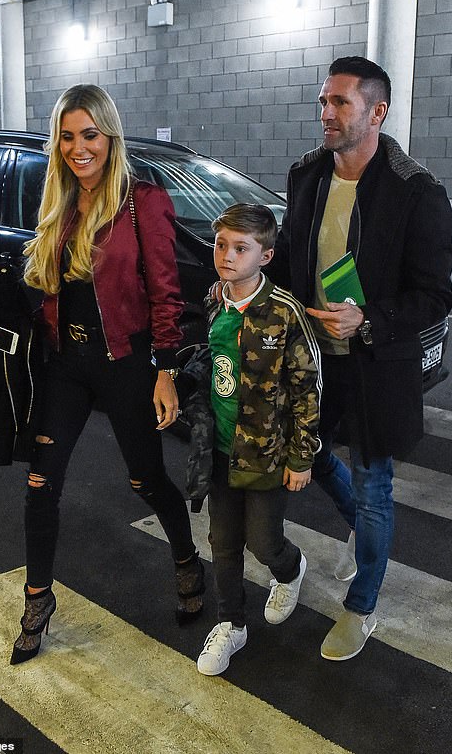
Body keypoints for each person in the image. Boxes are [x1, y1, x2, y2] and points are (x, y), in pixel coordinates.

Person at [267, 56, 452, 661]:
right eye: (323, 100)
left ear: (377, 112)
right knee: (312, 454)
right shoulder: (307, 176)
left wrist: (369, 317)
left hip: (376, 360)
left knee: (376, 486)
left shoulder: (414, 191)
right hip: (315, 358)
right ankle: (359, 529)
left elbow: (435, 295)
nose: (326, 112)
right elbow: (293, 256)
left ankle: (363, 602)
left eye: (340, 102)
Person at [9, 84, 204, 665]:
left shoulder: (142, 201)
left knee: (146, 479)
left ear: (109, 136)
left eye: (88, 135)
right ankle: (37, 599)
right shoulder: (57, 200)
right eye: (67, 137)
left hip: (126, 363)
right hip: (66, 367)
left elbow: (166, 293)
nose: (77, 148)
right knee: (40, 484)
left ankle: (186, 557)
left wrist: (165, 371)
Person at [193, 204, 321, 676]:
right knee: (222, 541)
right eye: (220, 245)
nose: (226, 256)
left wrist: (302, 457)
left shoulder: (284, 314)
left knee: (263, 542)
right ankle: (231, 624)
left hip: (267, 454)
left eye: (240, 248)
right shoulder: (214, 299)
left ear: (265, 256)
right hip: (221, 450)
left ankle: (289, 570)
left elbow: (308, 387)